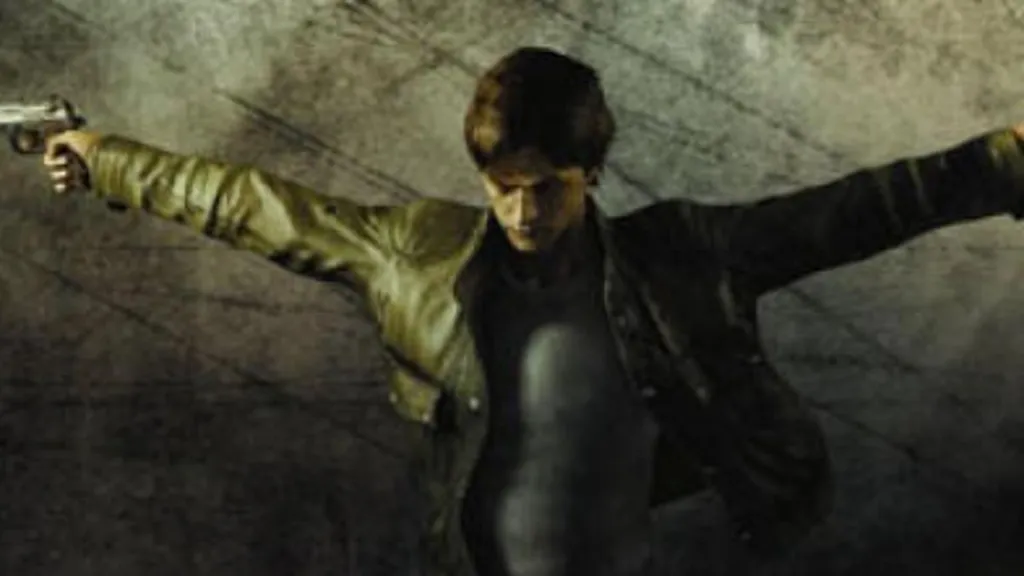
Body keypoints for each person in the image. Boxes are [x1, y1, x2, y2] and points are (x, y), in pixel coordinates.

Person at [40, 46, 1024, 576]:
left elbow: (862, 209)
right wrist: (105, 159)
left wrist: (1008, 159)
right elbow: (252, 206)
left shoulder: (684, 259)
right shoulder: (415, 257)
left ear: (592, 172)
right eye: (500, 187)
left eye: (545, 186)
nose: (520, 212)